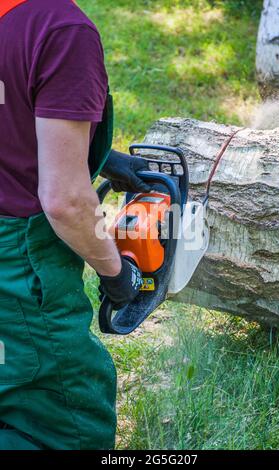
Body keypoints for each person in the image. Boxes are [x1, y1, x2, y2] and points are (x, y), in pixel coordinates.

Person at [0, 0, 149, 450]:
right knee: (57, 421)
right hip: (17, 263)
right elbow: (65, 202)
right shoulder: (62, 30)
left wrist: (88, 152)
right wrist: (116, 272)